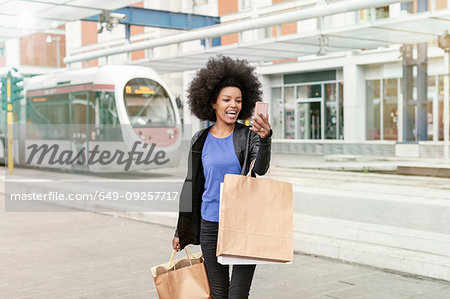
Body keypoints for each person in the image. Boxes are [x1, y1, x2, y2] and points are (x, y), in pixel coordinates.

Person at [171, 55, 272, 299]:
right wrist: (180, 230)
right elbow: (192, 186)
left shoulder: (249, 136)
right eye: (226, 99)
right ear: (213, 103)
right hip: (210, 225)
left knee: (237, 295)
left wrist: (266, 139)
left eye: (238, 100)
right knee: (218, 293)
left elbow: (260, 169)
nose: (233, 105)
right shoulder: (200, 140)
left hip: (242, 223)